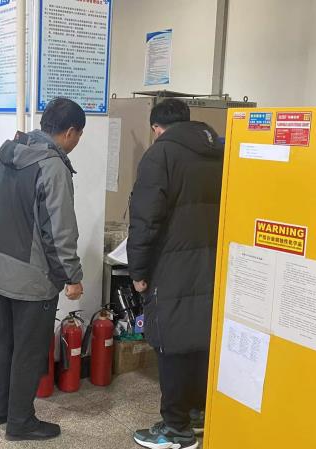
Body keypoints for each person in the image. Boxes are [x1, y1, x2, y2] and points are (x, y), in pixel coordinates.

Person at [0, 98, 85, 441]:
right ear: (70, 132)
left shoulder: (10, 154)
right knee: (29, 350)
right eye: (78, 136)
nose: (76, 142)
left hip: (1, 266)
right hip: (32, 277)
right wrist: (71, 276)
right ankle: (21, 422)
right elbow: (59, 230)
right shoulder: (52, 166)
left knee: (6, 344)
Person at [127, 99, 224, 449]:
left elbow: (145, 219)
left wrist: (138, 270)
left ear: (157, 128)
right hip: (214, 263)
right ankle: (197, 413)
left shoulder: (161, 155)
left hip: (171, 265)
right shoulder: (220, 151)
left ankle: (175, 428)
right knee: (201, 339)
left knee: (171, 342)